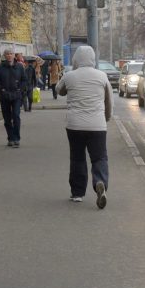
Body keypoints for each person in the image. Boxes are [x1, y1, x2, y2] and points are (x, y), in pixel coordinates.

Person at [56, 45, 112, 209]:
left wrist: (71, 78)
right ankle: (100, 182)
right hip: (97, 125)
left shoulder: (69, 76)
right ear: (93, 59)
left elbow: (59, 90)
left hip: (75, 125)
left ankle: (77, 193)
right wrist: (106, 118)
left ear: (76, 60)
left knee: (77, 157)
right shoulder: (102, 76)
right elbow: (109, 101)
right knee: (99, 157)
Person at [0, 48, 28, 147]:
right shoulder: (0, 68)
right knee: (7, 118)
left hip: (16, 96)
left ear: (14, 55)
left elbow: (24, 80)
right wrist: (1, 89)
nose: (9, 55)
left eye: (11, 53)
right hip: (4, 96)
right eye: (7, 54)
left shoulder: (20, 67)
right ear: (5, 56)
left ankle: (16, 138)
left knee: (16, 116)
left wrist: (20, 89)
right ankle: (10, 138)